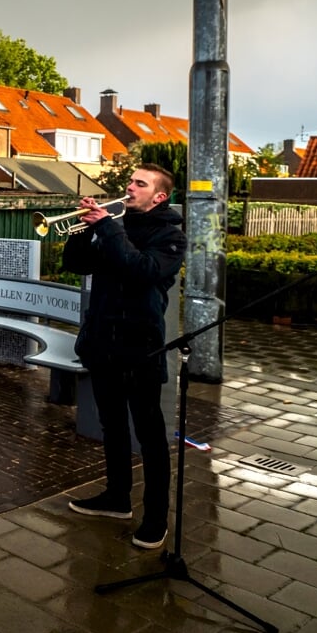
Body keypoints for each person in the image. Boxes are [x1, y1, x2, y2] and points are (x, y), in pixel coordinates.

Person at [64, 164, 186, 551]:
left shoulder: (170, 235)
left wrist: (108, 229)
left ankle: (155, 519)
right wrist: (84, 230)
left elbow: (142, 271)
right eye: (129, 181)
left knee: (150, 436)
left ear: (159, 196)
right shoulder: (115, 224)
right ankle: (117, 499)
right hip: (103, 342)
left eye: (139, 184)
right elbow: (77, 265)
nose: (129, 188)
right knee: (111, 425)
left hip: (140, 347)